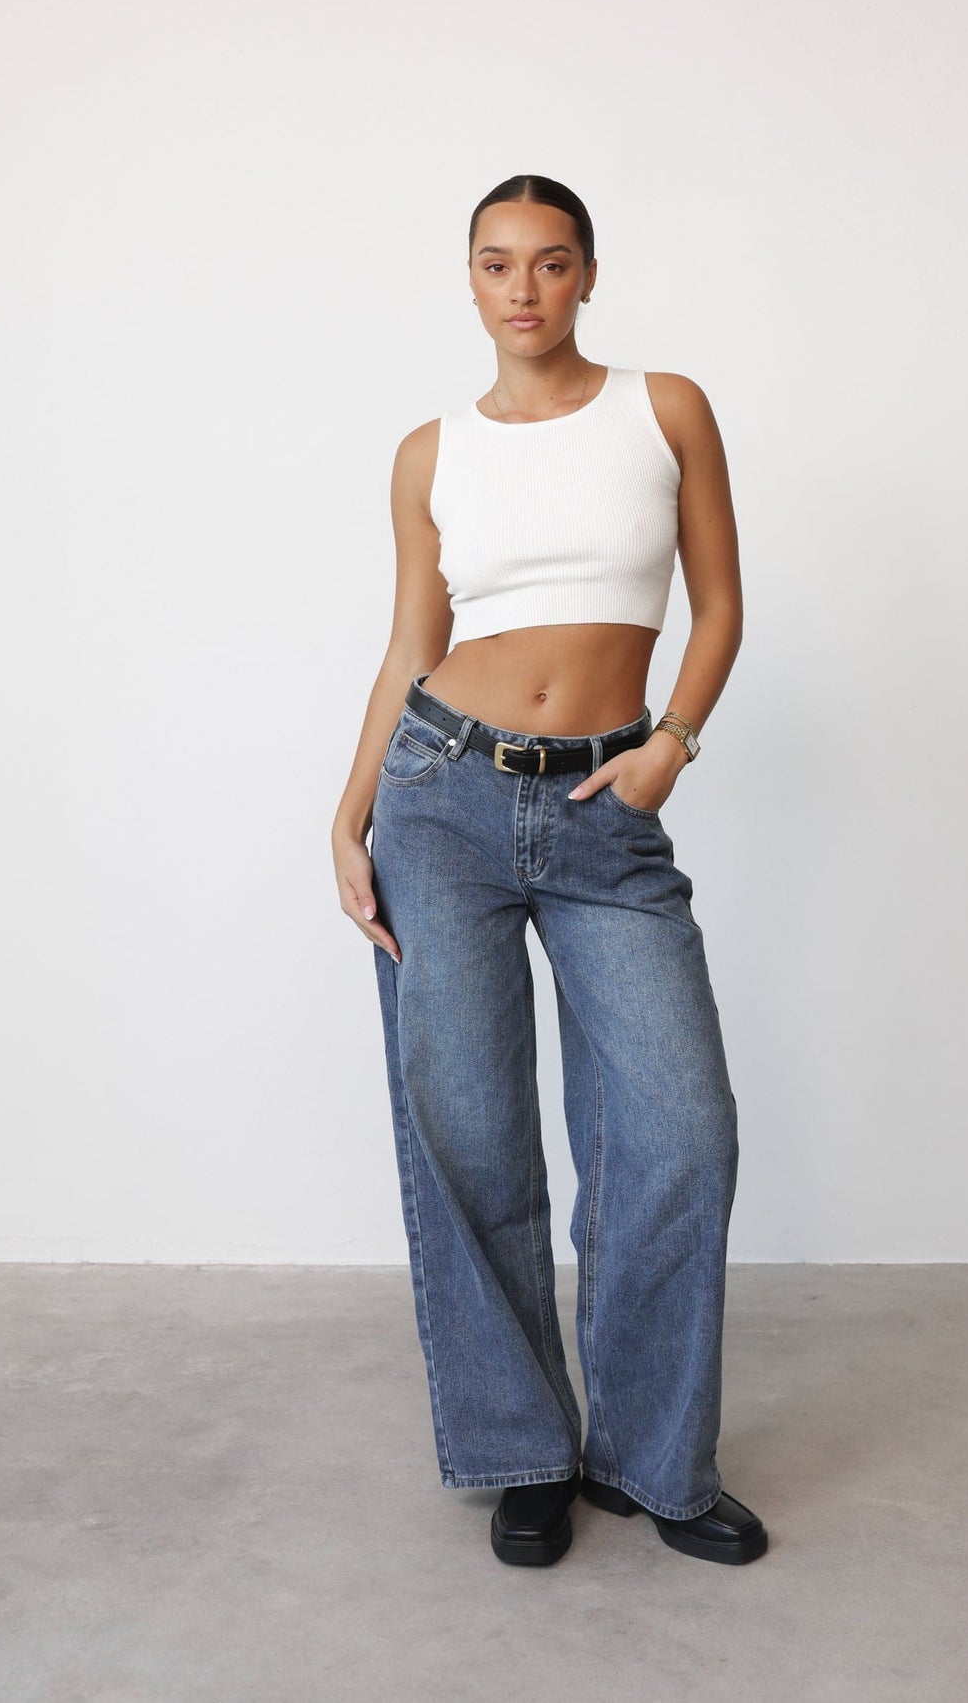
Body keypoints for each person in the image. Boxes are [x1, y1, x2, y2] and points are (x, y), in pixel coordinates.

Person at [332, 174, 767, 1568]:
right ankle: (523, 1448)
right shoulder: (431, 452)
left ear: (588, 274)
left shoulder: (665, 408)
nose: (523, 288)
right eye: (496, 262)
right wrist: (348, 815)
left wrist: (670, 744)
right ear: (470, 280)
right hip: (439, 797)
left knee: (680, 1129)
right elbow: (411, 646)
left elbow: (720, 604)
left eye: (551, 261)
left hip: (603, 805)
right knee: (468, 1131)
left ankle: (651, 1457)